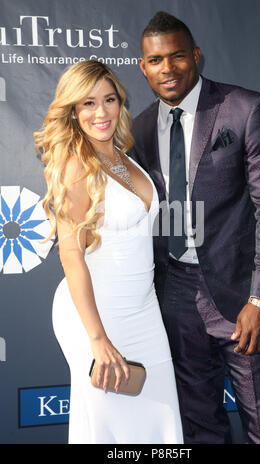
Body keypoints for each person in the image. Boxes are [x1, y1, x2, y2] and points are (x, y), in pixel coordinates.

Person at [130, 11, 260, 444]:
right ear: (143, 66)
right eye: (155, 60)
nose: (167, 68)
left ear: (196, 56)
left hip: (243, 291)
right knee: (199, 424)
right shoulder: (141, 128)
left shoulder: (245, 108)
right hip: (175, 295)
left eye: (177, 56)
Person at [34, 59, 183, 444]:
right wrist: (98, 339)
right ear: (73, 110)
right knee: (109, 429)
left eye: (109, 99)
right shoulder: (75, 167)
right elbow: (71, 257)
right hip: (95, 314)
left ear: (121, 102)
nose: (101, 112)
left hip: (144, 312)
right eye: (88, 103)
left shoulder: (123, 157)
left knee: (160, 424)